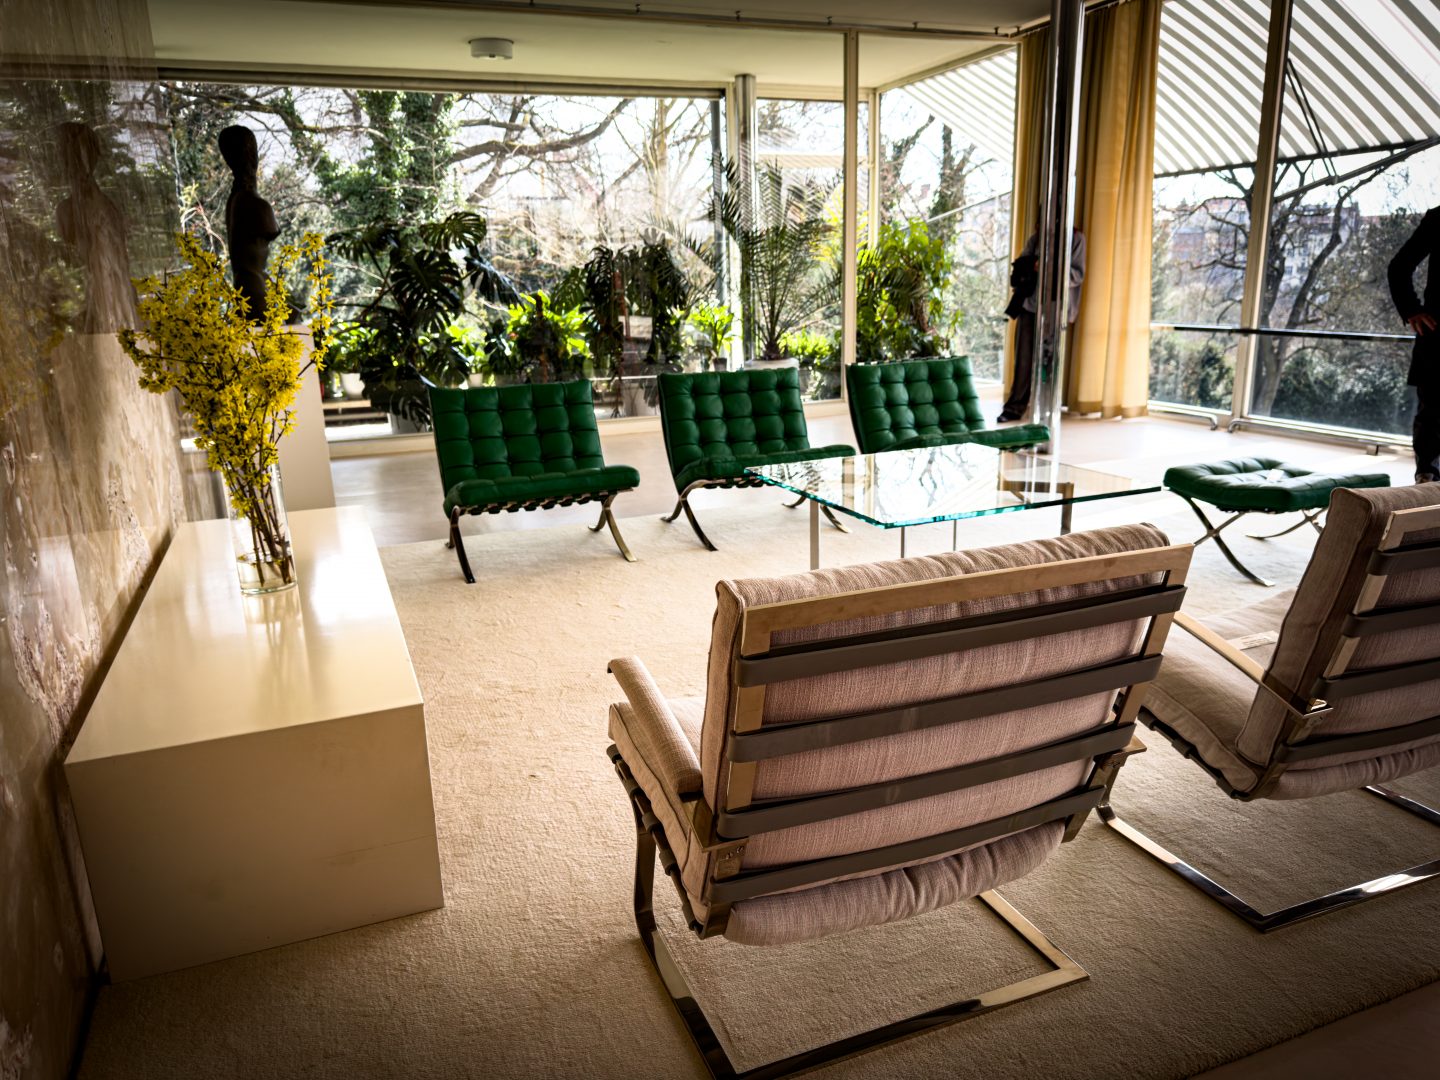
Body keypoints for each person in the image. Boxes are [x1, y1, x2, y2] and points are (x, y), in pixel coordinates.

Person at [1000, 227, 1086, 423]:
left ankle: (1046, 409)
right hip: (1029, 305)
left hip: (1056, 310)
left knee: (1050, 361)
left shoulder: (1077, 239)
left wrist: (1051, 268)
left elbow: (1077, 275)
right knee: (1022, 360)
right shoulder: (1037, 237)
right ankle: (1014, 408)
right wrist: (1034, 264)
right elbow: (1021, 263)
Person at [1389, 206, 1439, 483]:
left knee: (1432, 416)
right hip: (1438, 340)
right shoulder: (1438, 218)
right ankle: (1426, 486)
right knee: (1432, 418)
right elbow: (1399, 267)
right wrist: (1411, 309)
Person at [218, 124, 280, 322]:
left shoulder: (234, 201)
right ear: (252, 157)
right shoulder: (256, 205)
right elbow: (272, 229)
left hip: (245, 294)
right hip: (257, 298)